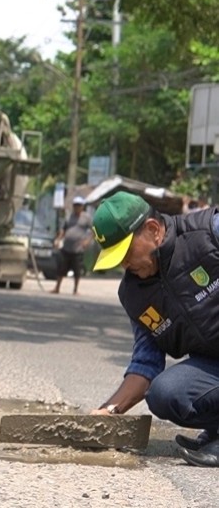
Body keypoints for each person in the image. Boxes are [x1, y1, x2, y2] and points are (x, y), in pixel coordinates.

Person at [88, 191, 219, 467]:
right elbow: (145, 365)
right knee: (165, 393)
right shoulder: (134, 295)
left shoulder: (207, 232)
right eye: (115, 258)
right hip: (213, 365)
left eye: (125, 253)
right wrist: (108, 411)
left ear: (153, 229)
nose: (124, 265)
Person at [51, 196, 92, 295]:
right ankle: (57, 288)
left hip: (77, 249)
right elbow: (63, 229)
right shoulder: (69, 216)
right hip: (66, 248)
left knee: (77, 270)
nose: (77, 207)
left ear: (82, 206)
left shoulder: (86, 218)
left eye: (79, 205)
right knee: (61, 268)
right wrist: (58, 239)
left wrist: (87, 241)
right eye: (75, 205)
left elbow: (93, 231)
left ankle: (75, 289)